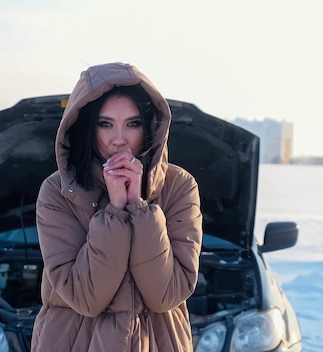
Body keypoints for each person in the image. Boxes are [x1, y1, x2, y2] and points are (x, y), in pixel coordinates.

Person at [31, 62, 203, 352]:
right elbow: (86, 297)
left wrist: (138, 207)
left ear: (149, 127)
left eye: (133, 124)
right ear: (87, 126)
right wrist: (114, 211)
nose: (120, 139)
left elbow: (165, 294)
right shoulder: (59, 192)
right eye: (106, 124)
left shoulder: (179, 187)